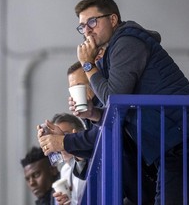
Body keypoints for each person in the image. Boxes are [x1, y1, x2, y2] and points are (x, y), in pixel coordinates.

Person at [71, 0, 189, 205]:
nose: (86, 31)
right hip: (174, 142)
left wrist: (87, 65)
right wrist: (93, 113)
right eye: (82, 26)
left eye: (92, 22)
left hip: (186, 140)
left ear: (113, 20)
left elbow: (114, 98)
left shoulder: (126, 42)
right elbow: (118, 111)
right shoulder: (111, 54)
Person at [38, 61, 156, 204]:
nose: (76, 93)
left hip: (148, 183)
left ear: (94, 82)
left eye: (79, 86)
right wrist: (64, 141)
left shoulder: (108, 103)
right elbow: (91, 166)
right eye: (72, 89)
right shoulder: (89, 115)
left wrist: (64, 141)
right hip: (131, 193)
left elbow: (104, 134)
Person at [51, 112, 87, 205]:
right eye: (55, 138)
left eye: (65, 136)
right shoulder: (65, 170)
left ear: (79, 134)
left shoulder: (90, 161)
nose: (60, 142)